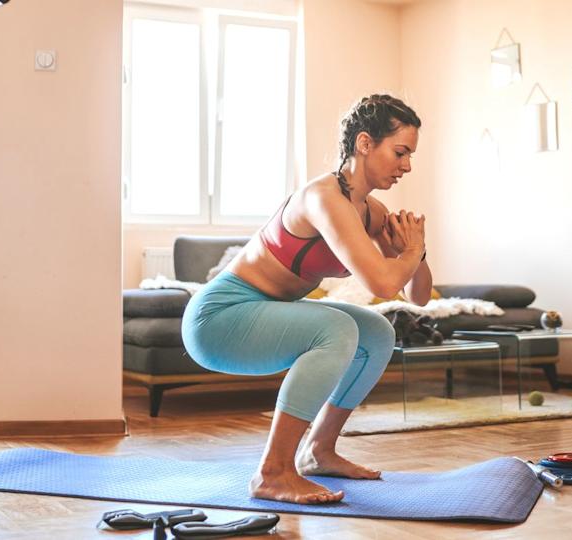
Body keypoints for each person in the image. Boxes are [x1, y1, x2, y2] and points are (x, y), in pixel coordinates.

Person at [181, 94, 431, 505]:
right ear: (365, 143)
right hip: (218, 318)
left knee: (377, 332)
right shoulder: (324, 197)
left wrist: (416, 251)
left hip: (269, 310)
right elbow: (383, 283)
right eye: (400, 152)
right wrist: (407, 253)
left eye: (410, 156)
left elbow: (415, 295)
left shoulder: (371, 211)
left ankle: (319, 450)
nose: (406, 166)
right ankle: (273, 471)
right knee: (337, 328)